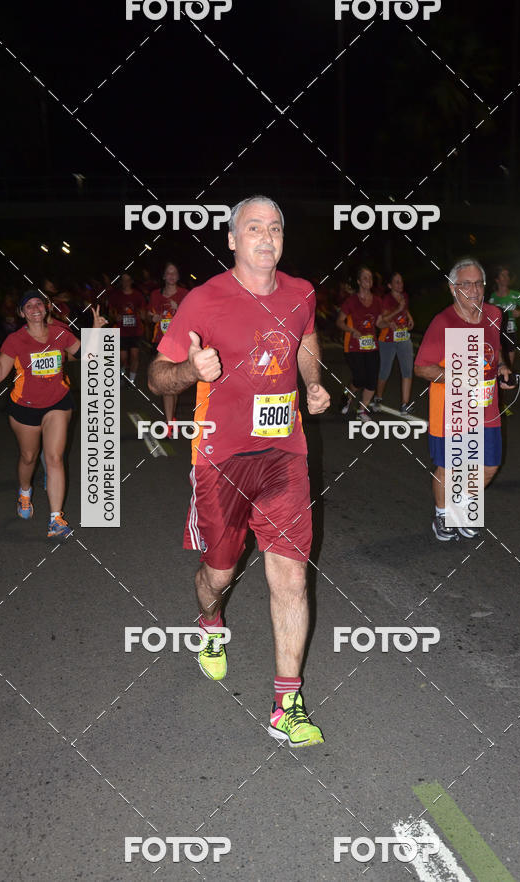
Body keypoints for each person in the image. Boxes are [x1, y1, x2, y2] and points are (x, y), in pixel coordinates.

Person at [148, 195, 330, 747]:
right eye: (254, 228)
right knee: (220, 572)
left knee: (292, 574)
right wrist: (188, 369)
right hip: (221, 460)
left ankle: (286, 703)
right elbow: (157, 375)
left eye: (275, 227)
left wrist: (314, 382)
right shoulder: (205, 300)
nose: (266, 237)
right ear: (232, 239)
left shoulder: (301, 294)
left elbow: (306, 341)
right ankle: (209, 620)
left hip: (284, 454)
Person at [0, 291, 106, 537]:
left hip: (57, 403)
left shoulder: (60, 333)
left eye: (38, 303)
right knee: (29, 457)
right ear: (21, 313)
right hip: (24, 408)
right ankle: (25, 492)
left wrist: (96, 329)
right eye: (28, 305)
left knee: (54, 458)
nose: (34, 308)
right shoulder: (15, 340)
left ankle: (56, 520)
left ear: (46, 308)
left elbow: (90, 357)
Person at [414, 258, 515, 542]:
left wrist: (503, 368)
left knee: (489, 465)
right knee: (451, 467)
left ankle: (461, 508)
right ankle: (443, 514)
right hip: (453, 408)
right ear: (452, 288)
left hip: (487, 408)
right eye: (466, 284)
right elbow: (422, 367)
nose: (473, 289)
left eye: (478, 283)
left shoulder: (494, 314)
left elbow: (494, 353)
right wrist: (458, 377)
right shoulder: (444, 322)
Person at [336, 266, 383, 420]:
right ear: (358, 281)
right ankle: (346, 396)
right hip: (353, 346)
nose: (368, 281)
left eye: (370, 278)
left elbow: (379, 323)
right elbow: (339, 322)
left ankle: (361, 411)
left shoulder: (377, 301)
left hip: (371, 346)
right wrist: (352, 330)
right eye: (365, 278)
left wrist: (390, 324)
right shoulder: (351, 301)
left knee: (371, 380)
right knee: (359, 379)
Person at [148, 263, 189, 436]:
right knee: (166, 384)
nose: (171, 276)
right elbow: (149, 315)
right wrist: (153, 317)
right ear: (164, 276)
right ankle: (169, 420)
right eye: (168, 273)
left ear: (178, 276)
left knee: (172, 383)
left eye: (174, 273)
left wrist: (179, 309)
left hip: (178, 342)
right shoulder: (155, 295)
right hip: (160, 341)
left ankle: (170, 420)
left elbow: (191, 318)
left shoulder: (184, 294)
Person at [370, 271, 415, 413]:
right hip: (387, 340)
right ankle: (378, 398)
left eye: (401, 281)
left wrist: (409, 317)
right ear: (389, 285)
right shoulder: (386, 299)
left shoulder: (404, 296)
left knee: (407, 371)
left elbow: (405, 310)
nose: (400, 284)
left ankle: (405, 405)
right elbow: (382, 319)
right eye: (396, 282)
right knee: (384, 371)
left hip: (403, 338)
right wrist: (399, 309)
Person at [488, 266, 520, 369]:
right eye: (503, 275)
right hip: (496, 333)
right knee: (495, 361)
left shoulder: (516, 294)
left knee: (509, 365)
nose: (507, 277)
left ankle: (506, 380)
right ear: (497, 280)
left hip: (511, 332)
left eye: (507, 275)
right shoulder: (492, 297)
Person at [108, 273, 145, 386]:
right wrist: (115, 316)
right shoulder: (116, 296)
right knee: (122, 358)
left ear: (131, 281)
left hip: (135, 331)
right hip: (121, 331)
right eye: (123, 280)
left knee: (134, 356)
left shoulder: (138, 295)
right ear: (121, 282)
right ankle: (121, 374)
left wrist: (141, 315)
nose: (126, 282)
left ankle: (132, 380)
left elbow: (143, 311)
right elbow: (110, 310)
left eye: (128, 280)